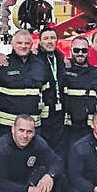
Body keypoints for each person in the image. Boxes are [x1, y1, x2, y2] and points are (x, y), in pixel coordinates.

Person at [0, 30, 47, 142]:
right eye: (19, 43)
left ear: (31, 44)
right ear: (12, 44)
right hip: (5, 129)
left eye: (26, 43)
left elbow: (47, 95)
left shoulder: (40, 65)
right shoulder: (1, 63)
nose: (23, 46)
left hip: (32, 129)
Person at [62, 37, 97, 148]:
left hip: (91, 128)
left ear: (88, 51)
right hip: (69, 129)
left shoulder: (96, 73)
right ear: (71, 51)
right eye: (76, 50)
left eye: (84, 50)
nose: (80, 53)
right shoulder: (64, 71)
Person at [37, 27, 68, 157]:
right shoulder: (35, 60)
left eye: (52, 38)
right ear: (40, 41)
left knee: (59, 151)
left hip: (59, 116)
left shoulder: (61, 60)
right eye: (46, 38)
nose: (50, 41)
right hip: (42, 118)